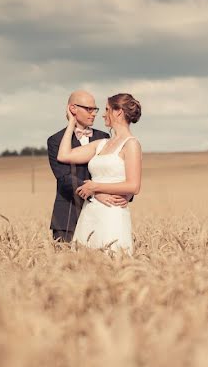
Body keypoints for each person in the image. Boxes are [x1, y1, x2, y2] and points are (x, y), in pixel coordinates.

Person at [57, 93, 142, 254]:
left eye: (107, 109)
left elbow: (134, 186)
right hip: (90, 212)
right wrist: (71, 123)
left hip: (112, 213)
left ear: (118, 112)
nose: (102, 114)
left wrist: (95, 187)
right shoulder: (102, 143)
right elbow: (64, 155)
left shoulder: (131, 144)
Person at [47, 90, 129, 243]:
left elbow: (117, 168)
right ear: (73, 109)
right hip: (68, 216)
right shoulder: (55, 141)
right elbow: (64, 178)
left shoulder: (104, 137)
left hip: (101, 213)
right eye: (88, 109)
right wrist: (95, 193)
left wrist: (126, 195)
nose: (94, 114)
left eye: (95, 109)